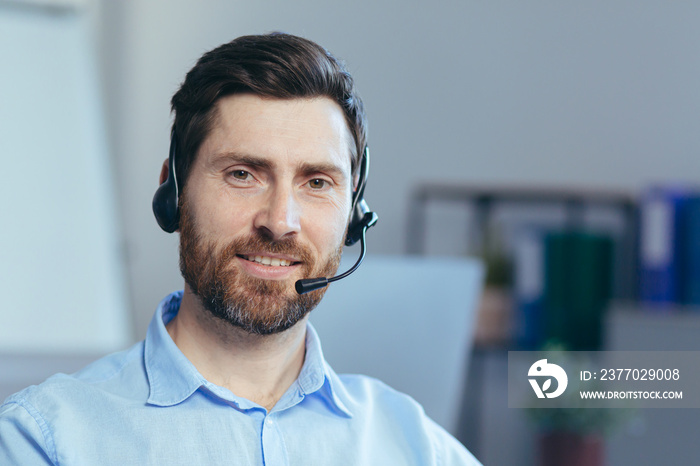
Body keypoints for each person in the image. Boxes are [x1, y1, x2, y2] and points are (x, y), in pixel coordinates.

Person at [0, 33, 481, 465]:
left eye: (316, 182)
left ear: (354, 214)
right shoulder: (43, 440)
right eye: (243, 174)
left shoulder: (418, 446)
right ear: (174, 190)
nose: (279, 222)